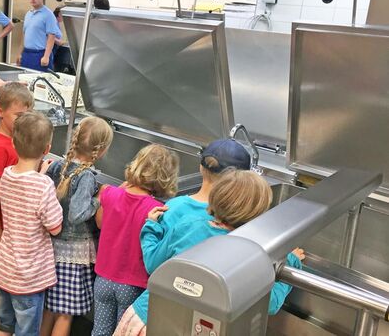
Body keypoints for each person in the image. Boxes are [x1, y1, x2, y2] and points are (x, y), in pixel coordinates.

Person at [114, 170, 305, 336]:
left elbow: (153, 265)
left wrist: (151, 227)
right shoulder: (246, 255)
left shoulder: (188, 225)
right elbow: (269, 304)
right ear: (256, 214)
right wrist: (291, 263)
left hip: (146, 317)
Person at [92, 144, 179, 336]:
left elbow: (99, 223)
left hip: (103, 278)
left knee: (99, 330)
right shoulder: (157, 210)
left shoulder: (110, 193)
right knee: (124, 332)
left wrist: (115, 192)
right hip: (133, 284)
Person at [40, 117, 114, 336]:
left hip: (52, 248)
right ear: (100, 151)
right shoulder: (87, 177)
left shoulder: (58, 167)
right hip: (73, 255)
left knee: (50, 309)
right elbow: (77, 214)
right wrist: (99, 197)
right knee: (65, 314)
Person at [0, 111, 63, 336]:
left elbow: (25, 190)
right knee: (27, 331)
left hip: (5, 270)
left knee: (4, 323)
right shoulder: (43, 185)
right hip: (28, 278)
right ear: (46, 149)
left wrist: (39, 174)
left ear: (13, 143)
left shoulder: (7, 175)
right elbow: (55, 226)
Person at [0, 82, 34, 332]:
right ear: (0, 112)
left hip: (13, 222)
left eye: (27, 115)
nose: (23, 121)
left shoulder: (14, 140)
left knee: (3, 270)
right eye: (18, 115)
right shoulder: (0, 146)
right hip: (3, 223)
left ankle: (0, 317)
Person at [19, 0, 61, 72]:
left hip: (40, 54)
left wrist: (46, 56)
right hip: (26, 54)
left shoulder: (48, 15)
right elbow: (24, 35)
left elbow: (51, 37)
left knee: (39, 83)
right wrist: (20, 54)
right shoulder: (28, 14)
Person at [52, 7, 74, 74]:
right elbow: (48, 35)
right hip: (52, 48)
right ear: (59, 14)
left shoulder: (57, 23)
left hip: (55, 48)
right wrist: (58, 42)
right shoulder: (53, 21)